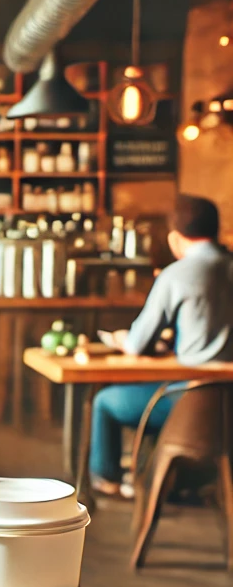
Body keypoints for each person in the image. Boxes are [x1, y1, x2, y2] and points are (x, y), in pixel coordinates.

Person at [90, 193, 233, 496]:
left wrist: (120, 339)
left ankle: (108, 480)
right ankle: (170, 480)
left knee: (105, 401)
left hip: (190, 404)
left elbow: (138, 343)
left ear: (175, 238)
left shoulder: (176, 275)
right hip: (227, 409)